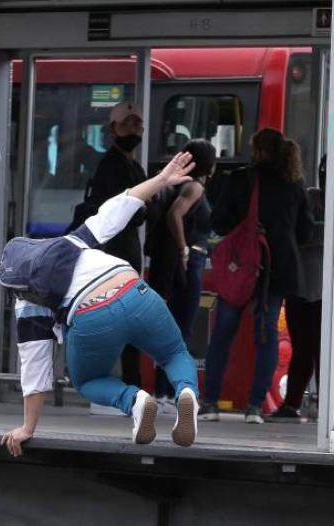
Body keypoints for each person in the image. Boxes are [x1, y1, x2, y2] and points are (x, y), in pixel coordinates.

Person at [1, 152, 200, 457]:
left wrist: (28, 428)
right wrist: (162, 179)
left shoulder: (27, 298)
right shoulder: (71, 242)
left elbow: (35, 369)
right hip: (133, 290)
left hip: (91, 313)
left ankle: (135, 402)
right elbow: (120, 206)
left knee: (89, 381)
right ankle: (187, 393)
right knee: (174, 352)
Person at [198, 128, 313, 424]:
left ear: (257, 150)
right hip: (276, 270)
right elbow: (305, 231)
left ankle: (209, 403)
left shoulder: (241, 179)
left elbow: (219, 223)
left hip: (242, 266)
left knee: (223, 333)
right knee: (267, 337)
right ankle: (254, 407)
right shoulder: (294, 183)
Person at [88, 101, 147, 411]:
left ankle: (132, 386)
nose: (133, 130)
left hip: (126, 254)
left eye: (136, 124)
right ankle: (109, 388)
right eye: (126, 125)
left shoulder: (133, 166)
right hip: (112, 254)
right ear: (112, 130)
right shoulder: (111, 166)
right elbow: (128, 212)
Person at [148, 139, 215, 412]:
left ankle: (162, 392)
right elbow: (175, 214)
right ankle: (174, 394)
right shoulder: (195, 187)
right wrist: (184, 249)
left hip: (171, 264)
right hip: (189, 261)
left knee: (169, 330)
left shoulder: (175, 184)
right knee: (182, 330)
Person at [269, 155, 326, 422]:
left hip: (327, 288)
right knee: (303, 347)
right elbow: (293, 233)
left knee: (322, 350)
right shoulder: (309, 197)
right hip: (303, 284)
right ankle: (292, 404)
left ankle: (326, 407)